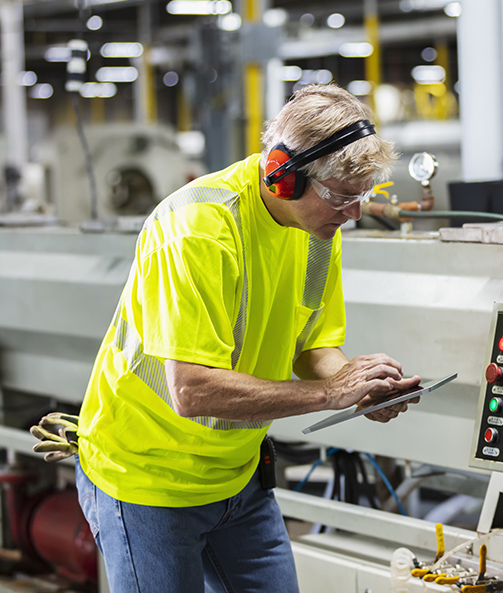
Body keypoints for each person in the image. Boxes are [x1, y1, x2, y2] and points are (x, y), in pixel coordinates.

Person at [34, 83, 421, 593]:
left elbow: (312, 344)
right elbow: (192, 390)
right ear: (282, 176)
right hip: (150, 481)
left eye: (360, 197)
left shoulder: (319, 234)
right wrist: (330, 395)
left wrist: (357, 385)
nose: (353, 213)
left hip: (239, 480)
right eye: (341, 197)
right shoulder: (199, 228)